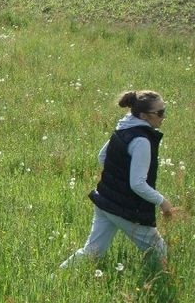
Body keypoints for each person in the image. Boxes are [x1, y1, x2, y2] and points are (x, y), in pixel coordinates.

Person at [60, 90, 174, 269]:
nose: (164, 116)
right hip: (127, 208)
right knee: (159, 251)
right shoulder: (142, 140)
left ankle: (55, 279)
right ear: (144, 116)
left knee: (92, 252)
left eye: (164, 111)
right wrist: (163, 202)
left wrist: (117, 180)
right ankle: (155, 285)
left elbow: (102, 157)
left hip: (105, 200)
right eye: (159, 113)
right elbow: (137, 184)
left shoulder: (124, 127)